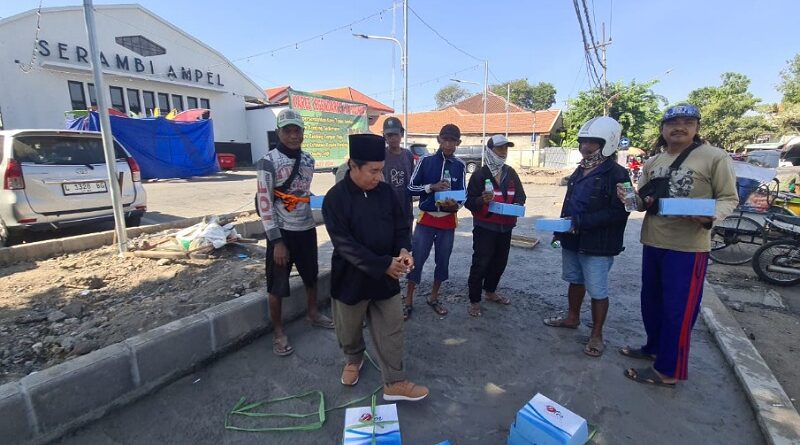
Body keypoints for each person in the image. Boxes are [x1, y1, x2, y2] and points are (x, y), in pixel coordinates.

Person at [617, 104, 738, 386]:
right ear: (663, 128)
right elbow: (641, 203)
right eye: (672, 123)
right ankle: (654, 348)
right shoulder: (653, 161)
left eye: (687, 122)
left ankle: (668, 370)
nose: (679, 127)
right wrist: (628, 199)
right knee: (652, 302)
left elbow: (729, 198)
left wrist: (710, 216)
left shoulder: (714, 157)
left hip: (688, 247)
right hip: (653, 240)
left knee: (678, 310)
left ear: (696, 127)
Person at [322, 133, 429, 402]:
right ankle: (353, 358)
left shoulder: (385, 193)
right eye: (373, 171)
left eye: (381, 170)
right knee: (349, 329)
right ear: (353, 165)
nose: (378, 177)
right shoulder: (335, 199)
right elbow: (344, 245)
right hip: (351, 278)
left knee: (392, 328)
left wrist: (403, 250)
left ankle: (395, 381)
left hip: (386, 276)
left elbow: (401, 226)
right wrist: (383, 264)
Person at [543, 117, 631, 357]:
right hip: (572, 239)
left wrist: (580, 222)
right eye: (583, 142)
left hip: (598, 244)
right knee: (575, 280)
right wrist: (560, 231)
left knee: (597, 289)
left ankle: (597, 335)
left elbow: (622, 211)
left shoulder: (619, 174)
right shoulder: (580, 169)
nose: (586, 147)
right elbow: (569, 203)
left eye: (593, 142)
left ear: (608, 143)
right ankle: (572, 318)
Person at [256, 108, 334, 357]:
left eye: (297, 130)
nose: (293, 135)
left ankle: (313, 313)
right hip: (282, 234)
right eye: (287, 131)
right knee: (276, 286)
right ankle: (278, 332)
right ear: (278, 132)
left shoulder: (309, 160)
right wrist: (276, 241)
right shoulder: (268, 161)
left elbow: (303, 193)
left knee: (311, 277)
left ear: (303, 132)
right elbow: (265, 204)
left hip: (306, 229)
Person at [404, 124, 466, 319]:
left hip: (448, 221)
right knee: (417, 259)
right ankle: (408, 300)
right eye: (445, 140)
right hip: (427, 219)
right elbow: (410, 188)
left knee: (443, 261)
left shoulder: (460, 165)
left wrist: (457, 204)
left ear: (458, 143)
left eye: (453, 141)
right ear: (439, 139)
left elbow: (463, 194)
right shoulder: (426, 160)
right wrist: (431, 187)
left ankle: (433, 297)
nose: (448, 144)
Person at [464, 135, 527, 317]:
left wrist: (517, 205)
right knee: (481, 263)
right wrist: (481, 200)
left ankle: (490, 291)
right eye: (499, 148)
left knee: (500, 262)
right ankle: (475, 300)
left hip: (506, 228)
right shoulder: (479, 175)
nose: (503, 152)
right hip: (485, 227)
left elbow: (521, 195)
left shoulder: (510, 172)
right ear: (490, 151)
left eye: (505, 148)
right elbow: (468, 202)